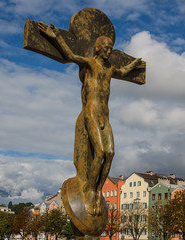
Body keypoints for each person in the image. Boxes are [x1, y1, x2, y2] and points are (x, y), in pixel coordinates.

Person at [38, 22, 144, 215]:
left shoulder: (110, 69)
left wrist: (134, 65)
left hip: (105, 115)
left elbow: (123, 72)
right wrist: (57, 38)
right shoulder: (90, 63)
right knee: (101, 153)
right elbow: (70, 56)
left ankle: (97, 190)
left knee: (110, 154)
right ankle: (89, 191)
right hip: (91, 112)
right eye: (106, 48)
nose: (109, 51)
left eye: (111, 48)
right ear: (98, 48)